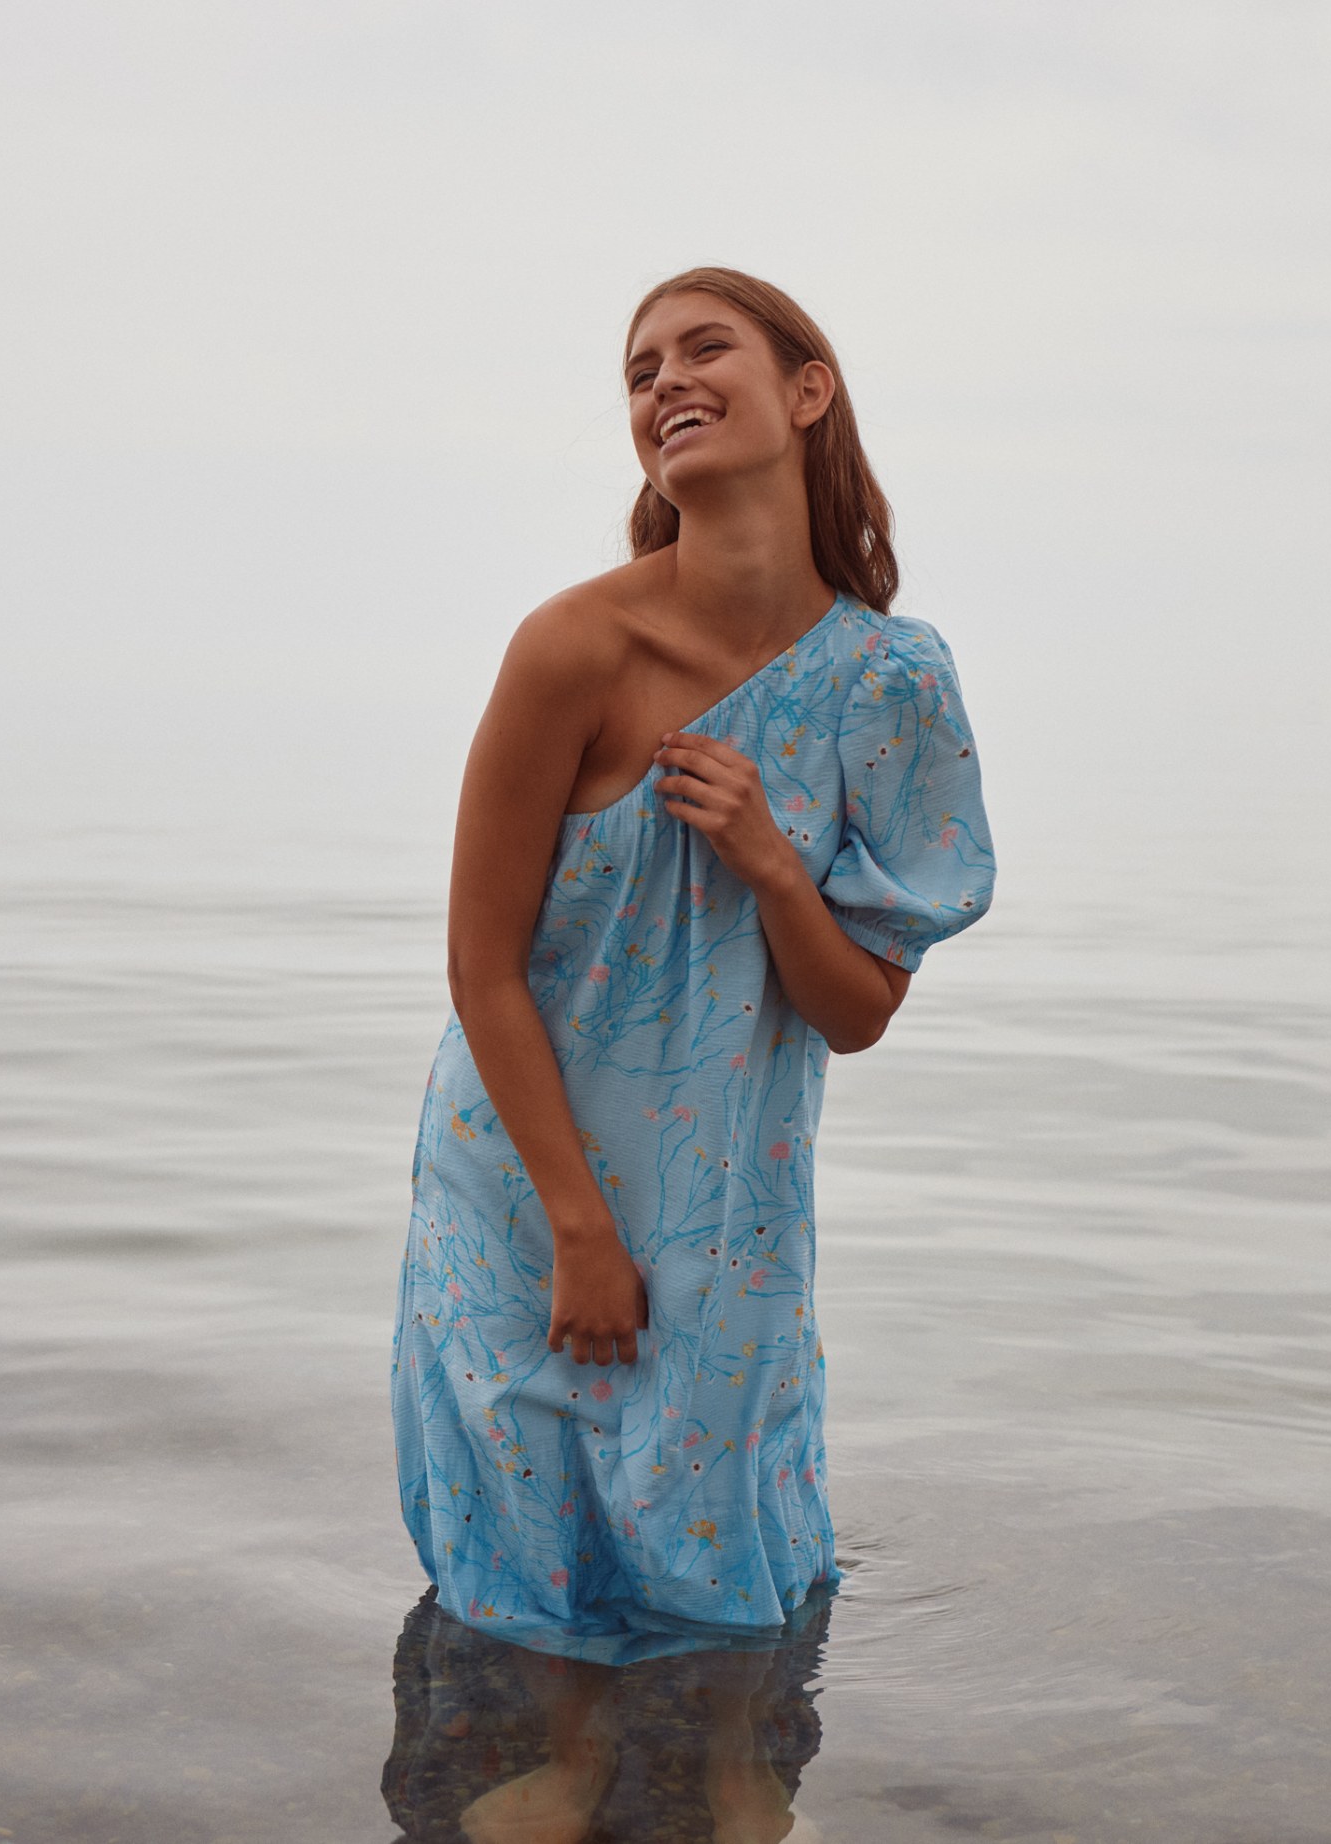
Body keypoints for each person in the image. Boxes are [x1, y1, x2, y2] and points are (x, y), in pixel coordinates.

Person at [389, 265, 994, 1843]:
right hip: (522, 1175)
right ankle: (573, 1755)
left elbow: (858, 1009)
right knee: (536, 1509)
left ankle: (732, 1757)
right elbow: (481, 962)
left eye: (702, 348)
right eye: (639, 365)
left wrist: (774, 865)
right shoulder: (570, 648)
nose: (663, 379)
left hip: (732, 1181)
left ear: (808, 391)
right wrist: (580, 1225)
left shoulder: (891, 681)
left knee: (716, 1504)